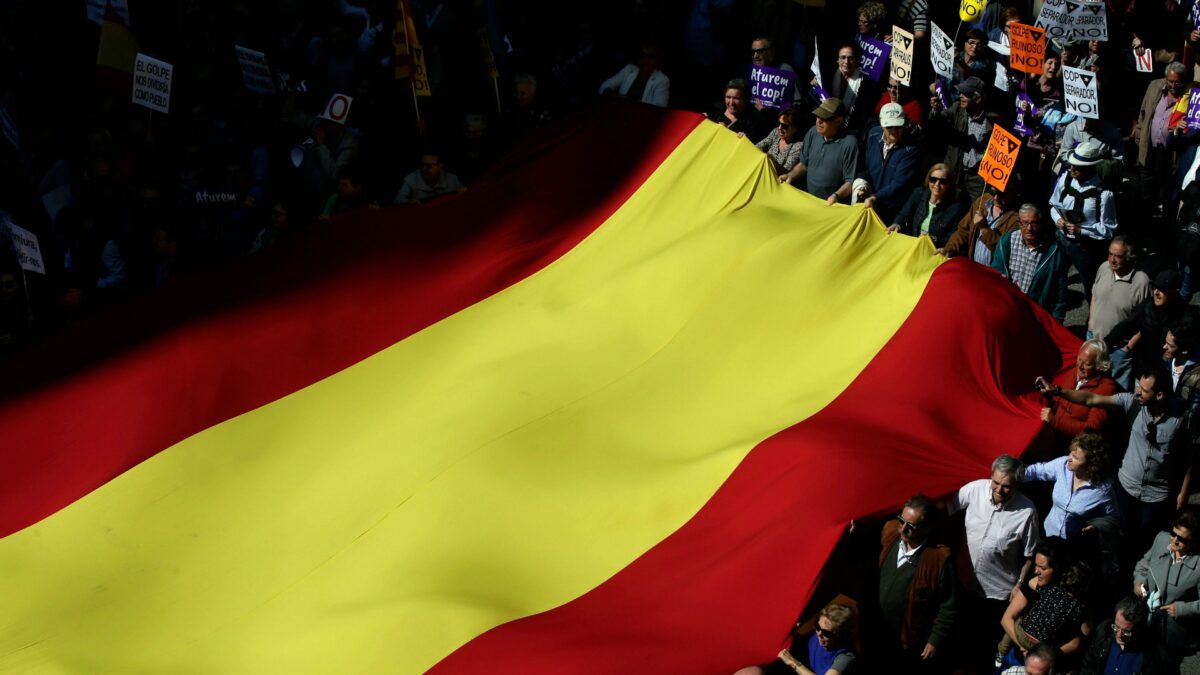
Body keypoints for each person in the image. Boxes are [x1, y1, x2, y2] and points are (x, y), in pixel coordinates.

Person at [1037, 363, 1188, 542]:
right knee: (1122, 536)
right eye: (1138, 386)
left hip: (1157, 494)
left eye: (1144, 390)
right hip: (1126, 488)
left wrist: (1183, 492)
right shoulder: (1132, 402)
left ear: (1160, 395)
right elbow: (1090, 399)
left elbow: (1189, 457)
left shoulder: (1181, 419)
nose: (1138, 392)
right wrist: (1057, 390)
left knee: (1146, 539)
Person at [946, 455, 1040, 672]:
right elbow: (946, 505)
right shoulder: (976, 490)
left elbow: (1029, 554)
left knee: (982, 646)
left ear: (1017, 485)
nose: (998, 490)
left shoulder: (1026, 512)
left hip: (996, 593)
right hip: (962, 581)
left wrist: (1020, 584)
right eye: (995, 482)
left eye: (1006, 486)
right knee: (958, 638)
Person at [877, 494, 957, 672]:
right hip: (879, 632)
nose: (902, 529)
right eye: (901, 520)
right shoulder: (890, 532)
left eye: (911, 526)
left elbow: (948, 606)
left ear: (927, 528)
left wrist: (935, 640)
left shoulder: (938, 560)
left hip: (909, 641)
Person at [1048, 140, 1118, 304]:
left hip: (1086, 249)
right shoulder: (1065, 179)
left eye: (1077, 166)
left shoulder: (1104, 194)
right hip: (1061, 241)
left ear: (1090, 167)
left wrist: (1082, 231)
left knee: (1091, 287)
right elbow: (1054, 205)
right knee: (1056, 281)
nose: (1072, 168)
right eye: (1072, 164)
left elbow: (1108, 229)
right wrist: (1057, 219)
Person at [997, 551, 1091, 670]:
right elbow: (1085, 633)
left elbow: (1031, 583)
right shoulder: (1078, 606)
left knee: (1018, 621)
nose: (1036, 571)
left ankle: (1001, 652)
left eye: (1043, 568)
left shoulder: (1049, 589)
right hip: (1040, 648)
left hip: (1027, 641)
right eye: (1036, 566)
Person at [1105, 269, 1193, 390]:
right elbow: (1126, 325)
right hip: (1143, 371)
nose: (1156, 292)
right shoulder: (1147, 306)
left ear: (1175, 291)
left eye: (1162, 289)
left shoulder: (1185, 318)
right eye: (1155, 288)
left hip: (1167, 377)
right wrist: (1104, 344)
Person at [1024, 434, 1118, 540]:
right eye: (1071, 454)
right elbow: (1036, 471)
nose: (1069, 458)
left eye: (1076, 458)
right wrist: (1011, 473)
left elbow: (1112, 519)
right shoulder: (1062, 465)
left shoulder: (1103, 489)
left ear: (1091, 465)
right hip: (1047, 534)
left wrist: (1095, 527)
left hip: (1073, 543)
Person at [1133, 508, 1200, 659]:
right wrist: (1139, 581)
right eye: (1174, 534)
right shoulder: (1162, 539)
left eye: (1182, 539)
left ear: (1194, 542)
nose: (1175, 540)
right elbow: (1144, 564)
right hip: (1146, 616)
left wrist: (1183, 608)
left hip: (1172, 627)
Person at [991, 205, 1070, 322]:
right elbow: (994, 275)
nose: (1029, 228)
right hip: (1007, 307)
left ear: (1041, 224)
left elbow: (1060, 291)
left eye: (1034, 223)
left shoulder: (1054, 251)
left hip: (1035, 314)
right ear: (1019, 223)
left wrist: (1057, 319)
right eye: (1025, 223)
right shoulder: (1006, 242)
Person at [735, 601, 858, 675]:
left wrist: (793, 662)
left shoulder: (845, 657)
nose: (819, 634)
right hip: (786, 671)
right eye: (817, 627)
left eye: (827, 633)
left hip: (794, 668)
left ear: (841, 635)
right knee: (751, 672)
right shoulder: (815, 632)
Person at [928, 76, 996, 202]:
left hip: (977, 178)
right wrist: (935, 111)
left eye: (966, 94)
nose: (961, 96)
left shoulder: (992, 121)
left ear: (978, 98)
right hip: (954, 171)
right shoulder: (957, 109)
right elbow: (937, 124)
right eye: (960, 92)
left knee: (976, 209)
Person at [1135, 63, 1191, 210]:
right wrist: (1139, 138)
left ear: (1183, 81)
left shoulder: (1189, 98)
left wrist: (1182, 128)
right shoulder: (1154, 86)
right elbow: (1143, 113)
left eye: (1177, 82)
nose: (1173, 85)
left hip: (1171, 156)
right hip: (1149, 152)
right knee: (1145, 195)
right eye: (1170, 81)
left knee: (1167, 196)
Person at [780, 99, 858, 205]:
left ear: (838, 121)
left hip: (830, 206)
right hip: (807, 200)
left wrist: (836, 196)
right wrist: (790, 176)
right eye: (818, 116)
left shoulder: (849, 143)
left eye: (824, 118)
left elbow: (850, 182)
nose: (818, 121)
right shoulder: (813, 132)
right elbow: (804, 164)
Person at [1040, 340, 1119, 444]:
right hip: (1055, 437)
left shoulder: (1105, 388)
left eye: (1087, 364)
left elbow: (1092, 429)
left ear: (1099, 366)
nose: (1080, 366)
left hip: (1076, 447)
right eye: (1079, 359)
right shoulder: (1073, 372)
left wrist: (1055, 421)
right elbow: (1058, 402)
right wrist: (1048, 396)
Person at [856, 103, 921, 224]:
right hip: (872, 203)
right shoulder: (873, 135)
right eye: (889, 126)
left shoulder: (911, 148)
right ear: (881, 125)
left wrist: (875, 197)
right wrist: (862, 184)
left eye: (898, 126)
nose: (894, 131)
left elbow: (899, 182)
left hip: (894, 210)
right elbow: (867, 167)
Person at [1078, 595, 1172, 674]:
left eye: (1126, 632)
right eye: (1116, 627)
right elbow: (1088, 666)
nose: (1119, 635)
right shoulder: (1104, 632)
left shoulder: (1157, 657)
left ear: (1140, 629)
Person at [888, 164, 967, 249]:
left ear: (949, 184)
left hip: (932, 251)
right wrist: (897, 224)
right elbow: (903, 214)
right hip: (912, 246)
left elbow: (952, 238)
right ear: (928, 180)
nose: (937, 184)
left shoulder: (956, 209)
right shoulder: (918, 194)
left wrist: (934, 239)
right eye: (933, 179)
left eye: (942, 181)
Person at [1088, 235, 1150, 344]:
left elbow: (1147, 319)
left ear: (1129, 257)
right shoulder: (1104, 267)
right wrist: (1091, 322)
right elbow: (1094, 295)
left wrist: (1129, 346)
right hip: (1093, 337)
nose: (1112, 260)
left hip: (1118, 347)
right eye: (1110, 254)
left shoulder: (1141, 281)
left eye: (1118, 256)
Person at [942, 183, 1020, 264]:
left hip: (993, 272)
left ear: (1013, 192)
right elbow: (963, 230)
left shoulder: (1017, 218)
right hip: (973, 266)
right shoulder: (983, 200)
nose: (996, 198)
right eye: (993, 192)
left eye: (1001, 194)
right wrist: (948, 249)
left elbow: (1005, 251)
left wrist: (984, 228)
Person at [825, 43, 878, 137]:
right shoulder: (829, 76)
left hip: (851, 130)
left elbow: (864, 114)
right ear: (838, 60)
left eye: (851, 58)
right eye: (843, 57)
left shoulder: (865, 83)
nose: (846, 62)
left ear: (856, 60)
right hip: (829, 123)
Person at [598, 41, 670, 107]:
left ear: (657, 60)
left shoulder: (662, 79)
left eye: (650, 56)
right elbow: (604, 86)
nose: (645, 60)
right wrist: (609, 93)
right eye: (642, 55)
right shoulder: (629, 69)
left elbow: (660, 107)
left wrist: (629, 101)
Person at [393, 150, 465, 205]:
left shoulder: (452, 179)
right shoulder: (411, 179)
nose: (424, 169)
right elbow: (398, 200)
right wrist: (408, 202)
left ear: (440, 166)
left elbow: (463, 194)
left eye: (429, 166)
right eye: (423, 165)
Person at [709, 79, 768, 143]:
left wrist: (746, 141)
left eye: (736, 98)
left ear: (745, 100)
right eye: (728, 97)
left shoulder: (754, 122)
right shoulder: (714, 111)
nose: (731, 103)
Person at [756, 108, 805, 178]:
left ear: (795, 129)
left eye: (784, 126)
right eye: (779, 123)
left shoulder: (798, 146)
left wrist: (771, 160)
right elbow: (758, 146)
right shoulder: (775, 132)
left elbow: (785, 172)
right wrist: (745, 141)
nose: (779, 128)